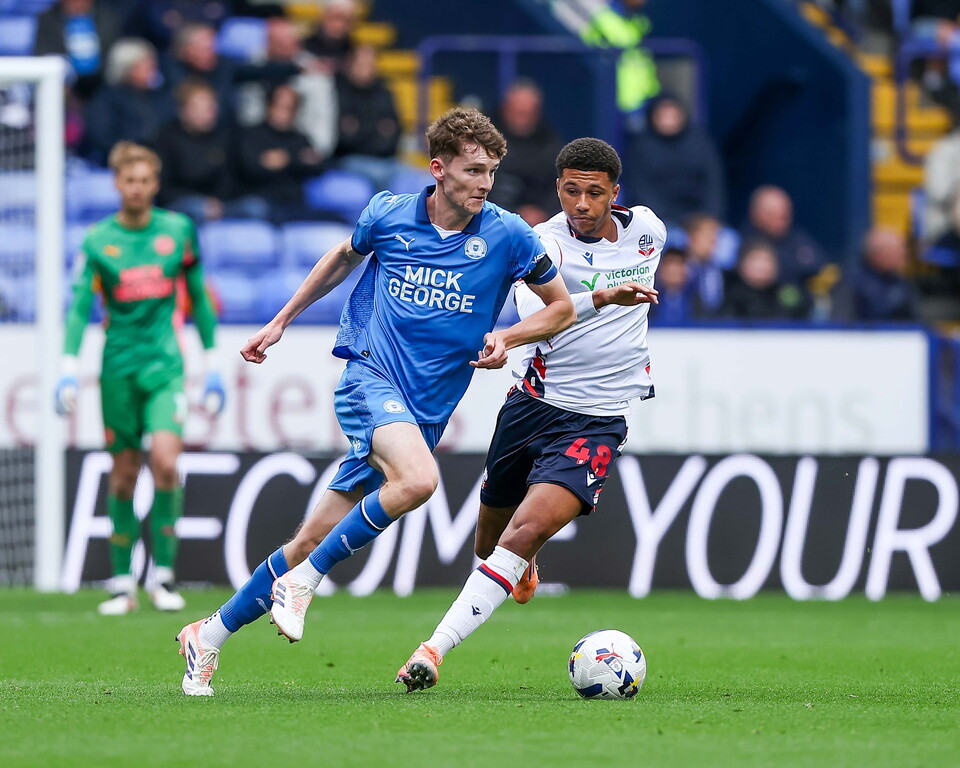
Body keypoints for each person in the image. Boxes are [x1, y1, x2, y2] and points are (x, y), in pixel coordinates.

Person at [176, 107, 576, 696]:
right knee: (418, 481)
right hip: (371, 378)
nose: (485, 184)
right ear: (438, 169)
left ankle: (207, 635)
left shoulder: (509, 234)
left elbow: (561, 308)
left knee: (308, 540)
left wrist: (508, 337)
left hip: (424, 412)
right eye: (473, 171)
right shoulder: (388, 214)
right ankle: (304, 582)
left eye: (491, 172)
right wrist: (281, 321)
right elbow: (343, 256)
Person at [393, 136, 662, 691]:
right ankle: (521, 563)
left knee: (527, 529)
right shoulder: (543, 245)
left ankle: (431, 650)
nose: (581, 204)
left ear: (615, 193)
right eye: (570, 191)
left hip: (597, 419)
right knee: (489, 541)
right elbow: (547, 314)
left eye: (594, 193)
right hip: (531, 407)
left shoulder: (648, 233)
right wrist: (591, 303)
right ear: (557, 187)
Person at [55, 141, 226, 616]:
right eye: (129, 180)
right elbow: (79, 308)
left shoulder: (178, 231)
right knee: (124, 473)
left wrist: (213, 364)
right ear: (117, 183)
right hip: (117, 370)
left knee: (166, 462)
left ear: (155, 183)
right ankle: (121, 583)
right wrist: (68, 366)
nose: (137, 188)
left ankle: (164, 576)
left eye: (145, 180)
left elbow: (198, 295)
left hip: (165, 367)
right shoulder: (98, 241)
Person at [155, 79, 266, 224]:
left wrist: (218, 202)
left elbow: (231, 179)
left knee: (256, 207)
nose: (208, 113)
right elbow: (164, 189)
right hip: (183, 204)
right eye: (200, 108)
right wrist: (204, 202)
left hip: (221, 204)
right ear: (183, 111)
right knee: (197, 209)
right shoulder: (166, 138)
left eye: (211, 107)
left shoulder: (224, 136)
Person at [625, 94, 726, 226]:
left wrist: (708, 218)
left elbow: (713, 183)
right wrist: (665, 220)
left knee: (727, 238)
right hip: (659, 220)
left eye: (672, 116)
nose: (668, 121)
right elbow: (640, 190)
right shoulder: (640, 147)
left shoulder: (700, 143)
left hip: (700, 221)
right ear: (652, 116)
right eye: (663, 116)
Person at [235, 83, 327, 223]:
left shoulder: (299, 138)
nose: (285, 114)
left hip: (294, 204)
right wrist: (298, 160)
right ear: (269, 106)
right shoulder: (251, 135)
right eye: (281, 107)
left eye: (291, 108)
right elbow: (250, 168)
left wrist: (287, 159)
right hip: (261, 202)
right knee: (256, 209)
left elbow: (318, 166)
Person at [82, 38, 173, 166]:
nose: (153, 71)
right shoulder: (106, 99)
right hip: (119, 164)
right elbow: (102, 138)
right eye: (147, 66)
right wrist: (136, 145)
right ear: (128, 69)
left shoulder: (160, 95)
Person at [487, 78, 564, 227]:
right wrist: (513, 214)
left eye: (528, 114)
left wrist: (542, 212)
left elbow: (560, 187)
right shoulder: (482, 142)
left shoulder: (551, 146)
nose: (522, 120)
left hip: (540, 224)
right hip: (491, 221)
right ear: (505, 109)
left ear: (537, 113)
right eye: (518, 113)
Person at [332, 44, 404, 191]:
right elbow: (343, 139)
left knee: (416, 177)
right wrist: (376, 131)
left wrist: (360, 130)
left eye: (370, 64)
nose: (366, 70)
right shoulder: (337, 92)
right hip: (348, 159)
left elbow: (395, 132)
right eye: (361, 64)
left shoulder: (384, 93)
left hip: (387, 159)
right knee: (379, 175)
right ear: (350, 65)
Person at [831, 228, 921, 323]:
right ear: (877, 253)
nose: (903, 257)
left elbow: (914, 320)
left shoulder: (901, 283)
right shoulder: (850, 282)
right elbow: (841, 322)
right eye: (896, 252)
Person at [721, 239, 811, 321]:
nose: (763, 266)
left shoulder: (784, 293)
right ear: (742, 264)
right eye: (756, 259)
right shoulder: (729, 294)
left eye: (768, 260)